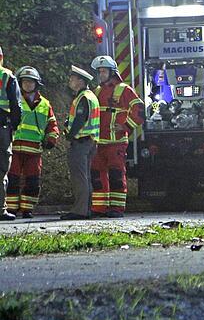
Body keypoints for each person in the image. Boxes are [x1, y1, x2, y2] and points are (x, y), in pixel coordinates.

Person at [92, 55, 144, 217]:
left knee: (116, 175)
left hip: (116, 142)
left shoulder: (124, 89)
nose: (101, 74)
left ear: (112, 72)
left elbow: (140, 110)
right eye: (99, 71)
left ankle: (117, 208)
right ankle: (100, 208)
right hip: (99, 142)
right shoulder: (97, 91)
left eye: (104, 71)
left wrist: (126, 126)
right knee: (97, 175)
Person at [6, 67, 58, 218]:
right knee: (12, 179)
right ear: (20, 83)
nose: (28, 85)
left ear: (37, 84)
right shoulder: (14, 99)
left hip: (35, 150)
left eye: (31, 82)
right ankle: (11, 209)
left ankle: (27, 209)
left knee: (33, 181)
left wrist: (51, 138)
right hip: (15, 147)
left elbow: (52, 124)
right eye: (25, 82)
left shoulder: (45, 104)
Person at [62, 65, 100, 220]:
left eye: (73, 78)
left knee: (79, 177)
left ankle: (80, 210)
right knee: (85, 177)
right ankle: (86, 209)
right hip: (90, 142)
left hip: (81, 142)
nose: (70, 80)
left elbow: (80, 119)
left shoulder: (83, 97)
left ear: (80, 81)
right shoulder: (90, 96)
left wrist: (70, 135)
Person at [0, 45, 20, 220]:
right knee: (1, 169)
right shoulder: (7, 75)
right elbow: (15, 105)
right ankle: (1, 209)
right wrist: (13, 125)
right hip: (2, 127)